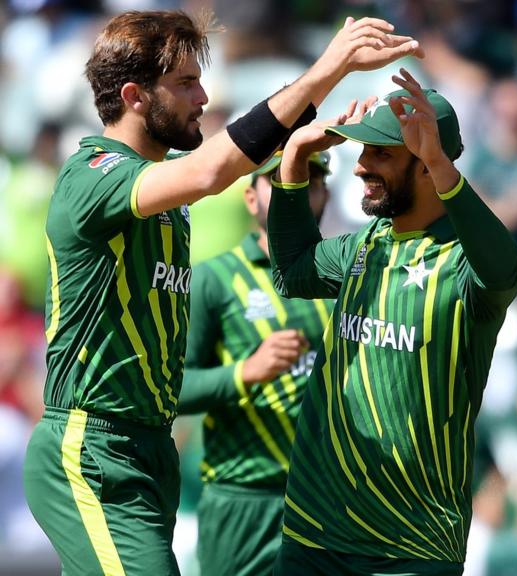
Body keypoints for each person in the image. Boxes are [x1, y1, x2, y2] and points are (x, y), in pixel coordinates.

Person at [22, 9, 422, 575]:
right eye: (185, 83)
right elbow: (217, 168)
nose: (204, 97)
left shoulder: (163, 176)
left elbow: (241, 152)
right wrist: (329, 66)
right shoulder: (94, 175)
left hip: (149, 448)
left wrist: (308, 140)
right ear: (135, 96)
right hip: (92, 448)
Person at [266, 68, 517, 575]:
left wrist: (440, 162)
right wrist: (293, 159)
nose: (360, 167)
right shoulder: (366, 243)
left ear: (429, 166)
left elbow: (504, 269)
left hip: (410, 545)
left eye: (380, 153)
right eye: (362, 152)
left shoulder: (463, 262)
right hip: (314, 530)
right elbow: (294, 273)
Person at [178, 151, 335, 576]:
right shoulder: (215, 278)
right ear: (251, 199)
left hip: (325, 500)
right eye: (282, 179)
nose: (298, 190)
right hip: (242, 499)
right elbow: (170, 391)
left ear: (326, 194)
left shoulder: (342, 278)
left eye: (311, 180)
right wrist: (245, 372)